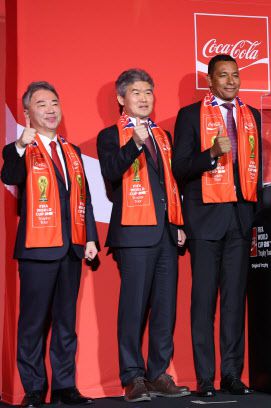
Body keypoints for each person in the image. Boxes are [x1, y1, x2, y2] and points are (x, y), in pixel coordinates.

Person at [2, 81, 98, 407]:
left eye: (54, 103)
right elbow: (11, 177)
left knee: (66, 323)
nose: (50, 109)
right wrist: (19, 146)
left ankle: (64, 386)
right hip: (38, 249)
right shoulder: (19, 149)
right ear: (28, 112)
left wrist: (90, 237)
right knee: (33, 324)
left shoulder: (72, 152)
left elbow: (84, 198)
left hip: (71, 248)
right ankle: (33, 389)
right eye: (41, 104)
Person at [97, 69, 190, 402]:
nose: (143, 98)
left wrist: (178, 223)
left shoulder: (163, 135)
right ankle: (132, 376)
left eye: (148, 92)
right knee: (133, 308)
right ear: (121, 98)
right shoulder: (110, 136)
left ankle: (158, 374)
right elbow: (111, 172)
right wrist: (134, 143)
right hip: (133, 233)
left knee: (165, 307)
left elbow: (171, 184)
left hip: (165, 232)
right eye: (136, 92)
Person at [173, 54, 261, 396]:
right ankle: (205, 378)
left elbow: (259, 170)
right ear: (209, 81)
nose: (230, 81)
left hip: (241, 220)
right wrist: (210, 153)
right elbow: (180, 168)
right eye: (223, 75)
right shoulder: (190, 115)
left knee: (234, 303)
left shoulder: (252, 116)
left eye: (235, 75)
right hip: (205, 221)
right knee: (204, 303)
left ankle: (232, 374)